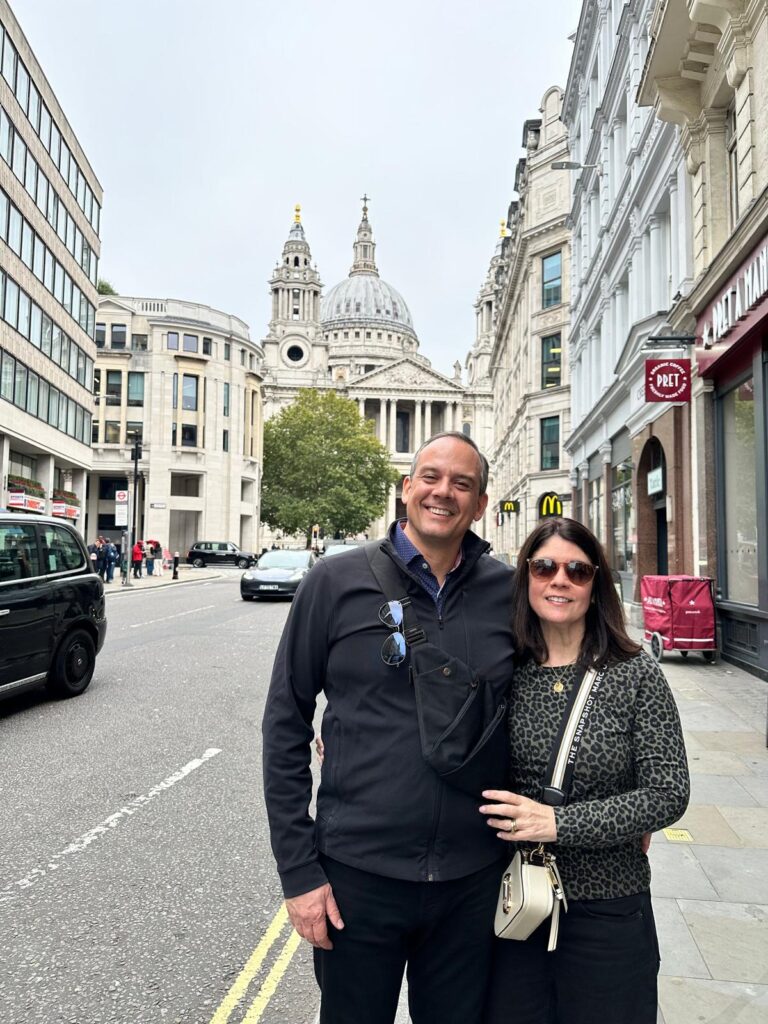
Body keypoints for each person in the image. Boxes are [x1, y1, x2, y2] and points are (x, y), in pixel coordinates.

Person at [262, 432, 514, 1024]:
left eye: (462, 483)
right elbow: (285, 724)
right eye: (429, 477)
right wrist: (299, 873)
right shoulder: (334, 580)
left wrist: (604, 802)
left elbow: (547, 704)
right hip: (357, 877)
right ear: (406, 489)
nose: (442, 493)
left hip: (471, 878)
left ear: (479, 503)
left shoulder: (507, 591)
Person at [479, 517, 689, 1024]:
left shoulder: (634, 672)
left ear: (596, 586)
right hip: (516, 904)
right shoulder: (504, 671)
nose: (560, 580)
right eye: (545, 566)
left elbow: (668, 792)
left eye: (578, 570)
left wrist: (559, 823)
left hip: (609, 908)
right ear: (526, 576)